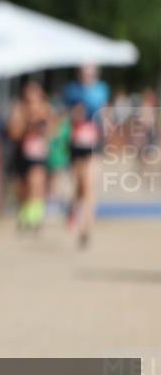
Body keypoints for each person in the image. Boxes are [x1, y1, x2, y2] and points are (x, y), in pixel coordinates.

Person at [63, 64, 110, 248]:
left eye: (91, 72)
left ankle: (86, 229)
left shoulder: (102, 89)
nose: (88, 75)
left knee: (90, 186)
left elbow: (105, 113)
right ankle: (73, 208)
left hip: (94, 144)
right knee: (79, 186)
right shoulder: (72, 90)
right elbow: (67, 114)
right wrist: (74, 115)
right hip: (76, 144)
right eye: (85, 72)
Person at [7, 80, 55, 232]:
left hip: (38, 155)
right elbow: (13, 133)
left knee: (37, 183)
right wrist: (26, 125)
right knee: (23, 187)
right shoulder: (19, 109)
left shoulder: (46, 109)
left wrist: (43, 127)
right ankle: (24, 212)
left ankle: (35, 217)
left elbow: (53, 131)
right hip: (21, 154)